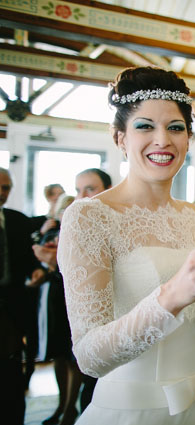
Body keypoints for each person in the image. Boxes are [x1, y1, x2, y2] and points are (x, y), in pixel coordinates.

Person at [57, 66, 195, 425]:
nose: (162, 140)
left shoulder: (191, 213)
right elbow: (90, 357)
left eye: (175, 128)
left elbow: (193, 316)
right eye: (144, 126)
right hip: (141, 408)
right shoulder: (88, 217)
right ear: (120, 138)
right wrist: (171, 294)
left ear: (188, 139)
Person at [30, 195, 80, 425]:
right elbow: (35, 259)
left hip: (75, 296)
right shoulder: (50, 234)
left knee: (74, 355)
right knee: (58, 353)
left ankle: (70, 408)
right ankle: (61, 404)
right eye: (64, 209)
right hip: (53, 298)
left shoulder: (83, 234)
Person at [0, 167, 41, 425]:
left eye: (5, 188)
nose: (1, 193)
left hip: (11, 313)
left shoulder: (17, 221)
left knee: (11, 383)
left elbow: (29, 261)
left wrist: (37, 271)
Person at [72, 168, 112, 412]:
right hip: (89, 320)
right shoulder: (79, 221)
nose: (82, 196)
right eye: (78, 190)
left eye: (90, 188)